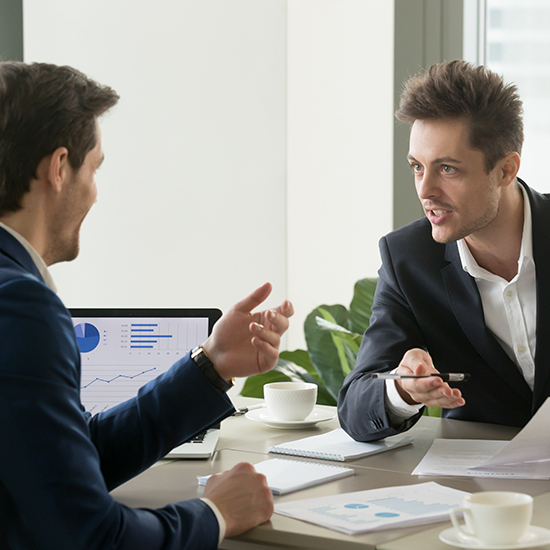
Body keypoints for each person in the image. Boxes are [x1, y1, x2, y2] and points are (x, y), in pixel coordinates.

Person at [0, 61, 294, 550]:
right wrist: (216, 514)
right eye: (93, 168)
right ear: (57, 169)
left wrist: (210, 365)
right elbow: (91, 539)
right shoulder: (22, 306)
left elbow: (62, 464)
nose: (94, 193)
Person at [338, 59, 550, 442]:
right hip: (480, 492)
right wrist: (402, 390)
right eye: (417, 167)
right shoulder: (408, 260)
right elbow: (355, 405)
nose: (425, 190)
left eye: (447, 169)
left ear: (505, 170)